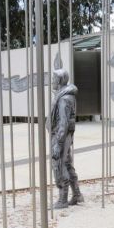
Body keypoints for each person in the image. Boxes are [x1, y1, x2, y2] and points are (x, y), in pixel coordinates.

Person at [48, 69, 83, 209]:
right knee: (67, 163)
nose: (52, 81)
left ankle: (63, 199)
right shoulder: (64, 96)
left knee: (59, 164)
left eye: (54, 78)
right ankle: (77, 194)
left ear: (60, 80)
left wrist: (58, 143)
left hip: (60, 135)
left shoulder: (64, 99)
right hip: (63, 135)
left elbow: (63, 123)